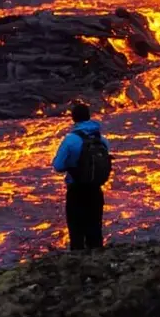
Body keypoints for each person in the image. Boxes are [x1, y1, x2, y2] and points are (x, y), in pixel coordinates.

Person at [51, 102, 111, 251]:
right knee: (95, 230)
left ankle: (77, 266)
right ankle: (99, 264)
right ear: (89, 117)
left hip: (76, 190)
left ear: (73, 119)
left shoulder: (70, 139)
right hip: (96, 190)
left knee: (76, 232)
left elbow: (58, 166)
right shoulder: (102, 140)